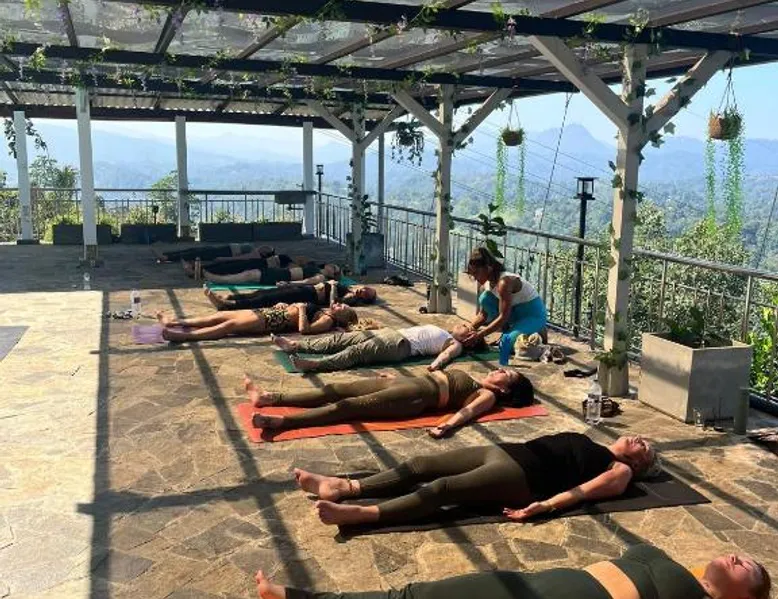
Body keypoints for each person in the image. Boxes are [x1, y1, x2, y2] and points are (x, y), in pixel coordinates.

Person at [291, 432, 660, 526]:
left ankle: (363, 514)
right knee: (421, 463)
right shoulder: (596, 442)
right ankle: (346, 486)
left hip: (523, 477)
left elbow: (581, 492)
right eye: (643, 438)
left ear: (640, 464)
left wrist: (545, 506)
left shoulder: (621, 471)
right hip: (508, 449)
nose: (641, 440)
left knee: (442, 489)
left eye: (645, 448)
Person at [254, 544, 771, 599]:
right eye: (743, 554)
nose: (738, 556)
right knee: (417, 595)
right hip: (527, 584)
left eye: (747, 567)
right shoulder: (676, 566)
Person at [247, 366, 534, 438]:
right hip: (403, 383)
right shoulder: (476, 379)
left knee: (348, 407)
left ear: (505, 389)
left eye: (505, 374)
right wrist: (395, 377)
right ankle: (269, 398)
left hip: (411, 398)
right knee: (335, 389)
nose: (499, 369)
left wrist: (447, 426)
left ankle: (283, 422)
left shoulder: (488, 396)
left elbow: (469, 412)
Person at [271, 323, 478, 373]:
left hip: (399, 345)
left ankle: (315, 365)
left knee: (356, 352)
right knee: (341, 339)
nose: (464, 325)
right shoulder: (446, 332)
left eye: (467, 329)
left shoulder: (456, 344)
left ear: (468, 339)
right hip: (391, 333)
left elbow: (446, 355)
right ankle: (295, 345)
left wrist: (435, 366)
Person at [463, 247, 548, 365]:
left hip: (533, 315)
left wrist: (479, 335)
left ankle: (538, 329)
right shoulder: (486, 285)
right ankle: (518, 330)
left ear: (488, 268)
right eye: (473, 274)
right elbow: (483, 315)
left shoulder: (504, 282)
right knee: (485, 298)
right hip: (515, 313)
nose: (475, 278)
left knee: (507, 344)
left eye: (477, 273)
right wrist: (469, 329)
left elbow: (503, 317)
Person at [154, 302, 359, 342]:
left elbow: (305, 330)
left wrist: (302, 309)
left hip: (274, 321)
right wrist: (286, 304)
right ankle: (174, 322)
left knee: (228, 326)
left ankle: (182, 336)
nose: (339, 304)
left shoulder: (327, 320)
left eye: (343, 307)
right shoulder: (326, 311)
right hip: (273, 312)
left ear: (342, 317)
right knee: (221, 316)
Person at [205, 282, 377, 310]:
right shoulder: (349, 287)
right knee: (264, 292)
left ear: (364, 299)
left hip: (309, 295)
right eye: (364, 289)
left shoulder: (350, 298)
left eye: (365, 294)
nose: (362, 291)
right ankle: (229, 298)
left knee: (267, 300)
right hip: (306, 288)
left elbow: (333, 304)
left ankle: (229, 305)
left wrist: (332, 287)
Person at [203, 262, 341, 286]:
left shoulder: (321, 277)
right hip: (281, 272)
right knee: (248, 273)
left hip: (282, 276)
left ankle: (219, 280)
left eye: (334, 267)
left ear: (333, 273)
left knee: (249, 275)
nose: (331, 265)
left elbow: (308, 282)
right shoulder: (315, 266)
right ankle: (221, 278)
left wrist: (289, 284)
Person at [152, 243, 274, 264]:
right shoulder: (255, 250)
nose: (264, 247)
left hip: (225, 252)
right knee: (194, 250)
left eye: (266, 249)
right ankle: (167, 254)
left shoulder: (255, 255)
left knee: (195, 254)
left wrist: (223, 259)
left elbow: (241, 258)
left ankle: (166, 257)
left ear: (265, 254)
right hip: (224, 248)